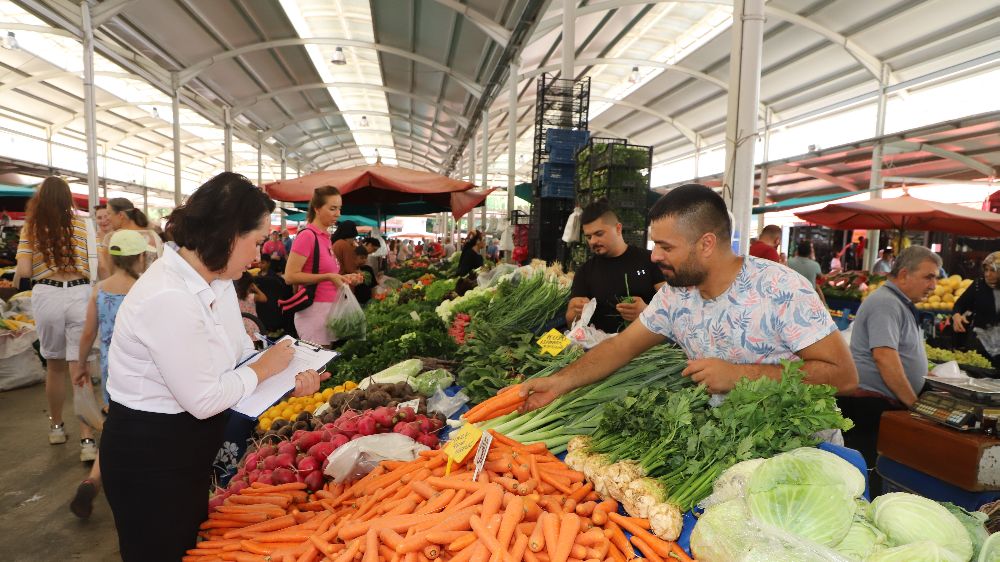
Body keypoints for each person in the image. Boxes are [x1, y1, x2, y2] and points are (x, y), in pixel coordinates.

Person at [100, 172, 328, 561]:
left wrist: (286, 373)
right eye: (255, 242)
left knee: (188, 546)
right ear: (228, 234)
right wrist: (266, 369)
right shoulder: (169, 296)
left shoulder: (218, 282)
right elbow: (205, 398)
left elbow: (238, 354)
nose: (258, 256)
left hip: (186, 448)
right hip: (150, 454)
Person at [518, 184, 857, 413]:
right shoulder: (675, 296)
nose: (653, 257)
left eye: (666, 247)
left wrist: (741, 376)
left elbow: (843, 376)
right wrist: (559, 382)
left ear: (706, 244)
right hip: (727, 446)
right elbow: (620, 347)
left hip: (799, 453)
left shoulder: (782, 289)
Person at [840, 245, 941, 494]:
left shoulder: (898, 302)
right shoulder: (886, 303)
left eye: (937, 278)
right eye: (929, 277)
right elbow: (885, 357)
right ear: (904, 274)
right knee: (865, 477)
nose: (934, 285)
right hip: (870, 408)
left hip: (880, 406)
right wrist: (913, 405)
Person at [70, 229, 153, 519]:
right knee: (141, 424)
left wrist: (80, 365)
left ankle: (94, 479)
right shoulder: (146, 290)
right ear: (141, 257)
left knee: (114, 423)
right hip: (142, 367)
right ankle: (138, 484)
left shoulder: (100, 289)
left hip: (111, 369)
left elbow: (88, 333)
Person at [14, 177, 97, 459]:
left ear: (40, 198)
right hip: (79, 293)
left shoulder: (32, 227)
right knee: (79, 365)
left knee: (55, 366)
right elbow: (93, 263)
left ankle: (57, 427)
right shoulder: (82, 226)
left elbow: (24, 270)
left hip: (47, 294)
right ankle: (87, 440)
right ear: (68, 199)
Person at [567, 199, 665, 333]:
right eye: (589, 237)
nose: (593, 241)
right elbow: (570, 322)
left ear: (618, 228)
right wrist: (575, 312)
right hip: (602, 346)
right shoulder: (585, 271)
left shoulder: (649, 260)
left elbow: (673, 308)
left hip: (646, 345)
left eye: (599, 234)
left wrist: (646, 312)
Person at [284, 187, 360, 347]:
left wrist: (345, 278)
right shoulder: (307, 236)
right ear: (317, 209)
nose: (338, 213)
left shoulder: (325, 238)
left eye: (339, 208)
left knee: (323, 363)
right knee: (317, 366)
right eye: (332, 208)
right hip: (313, 311)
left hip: (328, 309)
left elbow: (324, 273)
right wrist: (329, 277)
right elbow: (290, 276)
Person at [98, 198, 163, 279]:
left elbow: (104, 269)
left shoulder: (112, 238)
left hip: (124, 288)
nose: (107, 218)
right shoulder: (153, 235)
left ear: (121, 215)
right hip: (152, 287)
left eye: (109, 213)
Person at [952, 251, 1000, 341]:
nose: (987, 274)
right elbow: (959, 304)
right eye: (986, 269)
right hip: (978, 340)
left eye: (993, 270)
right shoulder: (978, 285)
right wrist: (956, 315)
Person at [236, 271, 267, 342]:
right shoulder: (251, 296)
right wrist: (256, 289)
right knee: (254, 344)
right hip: (253, 322)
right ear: (250, 285)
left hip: (241, 323)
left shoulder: (236, 296)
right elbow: (264, 298)